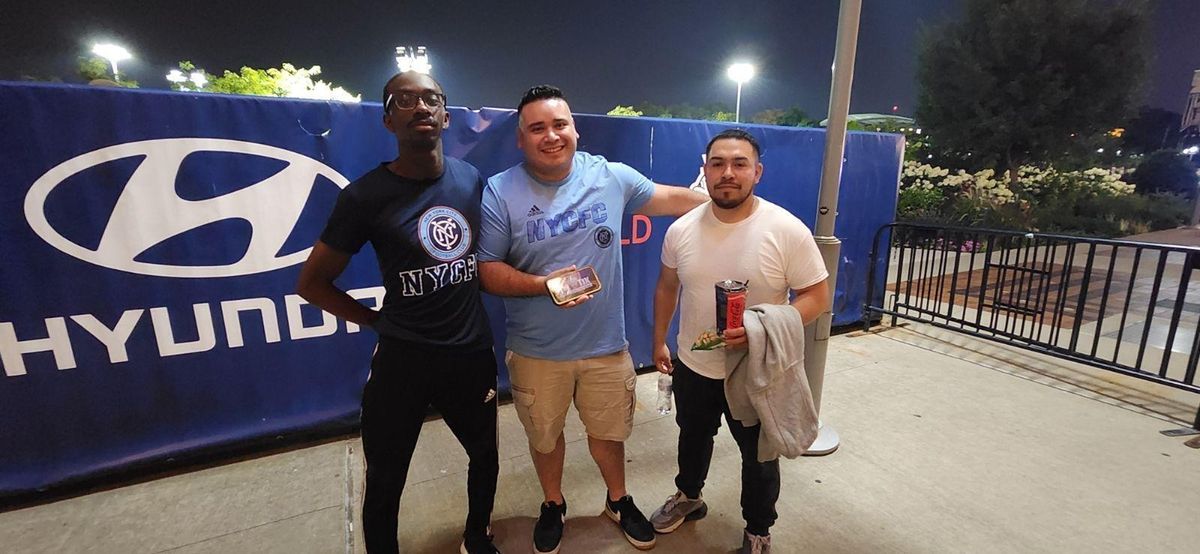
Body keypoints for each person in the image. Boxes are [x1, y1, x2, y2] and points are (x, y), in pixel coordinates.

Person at [477, 85, 708, 553]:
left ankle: (618, 500)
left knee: (609, 435)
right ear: (521, 139)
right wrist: (543, 285)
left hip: (606, 347)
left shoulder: (611, 176)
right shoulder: (501, 190)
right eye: (536, 128)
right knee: (545, 438)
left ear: (575, 129)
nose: (550, 136)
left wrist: (726, 200)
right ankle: (552, 504)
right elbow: (487, 270)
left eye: (559, 124)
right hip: (537, 351)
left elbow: (668, 200)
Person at [296, 71, 500, 554]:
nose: (421, 107)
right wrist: (372, 320)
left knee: (485, 455)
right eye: (404, 100)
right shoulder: (364, 196)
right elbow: (311, 283)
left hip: (470, 355)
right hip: (403, 360)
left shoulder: (471, 181)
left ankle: (477, 536)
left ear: (446, 116)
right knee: (386, 478)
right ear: (389, 120)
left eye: (432, 98)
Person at [649, 129, 831, 554]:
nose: (727, 173)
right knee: (692, 437)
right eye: (717, 164)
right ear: (705, 170)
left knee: (759, 457)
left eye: (739, 164)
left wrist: (761, 328)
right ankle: (689, 497)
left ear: (757, 172)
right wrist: (659, 341)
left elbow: (817, 297)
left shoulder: (786, 229)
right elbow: (666, 288)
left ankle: (758, 530)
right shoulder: (681, 230)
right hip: (694, 364)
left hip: (756, 370)